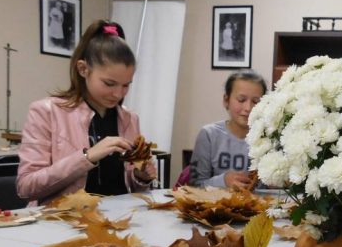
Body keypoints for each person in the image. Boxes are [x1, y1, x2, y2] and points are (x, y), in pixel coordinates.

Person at [17, 20, 156, 206]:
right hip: (65, 219)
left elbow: (131, 187)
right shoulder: (46, 112)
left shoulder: (130, 119)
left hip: (120, 217)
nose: (118, 94)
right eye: (109, 83)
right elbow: (26, 187)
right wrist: (87, 157)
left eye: (126, 85)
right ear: (83, 69)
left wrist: (141, 177)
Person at [188, 70, 266, 189]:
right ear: (226, 100)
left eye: (255, 102)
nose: (248, 108)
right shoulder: (209, 135)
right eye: (241, 100)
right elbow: (195, 186)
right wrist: (223, 181)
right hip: (216, 200)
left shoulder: (270, 138)